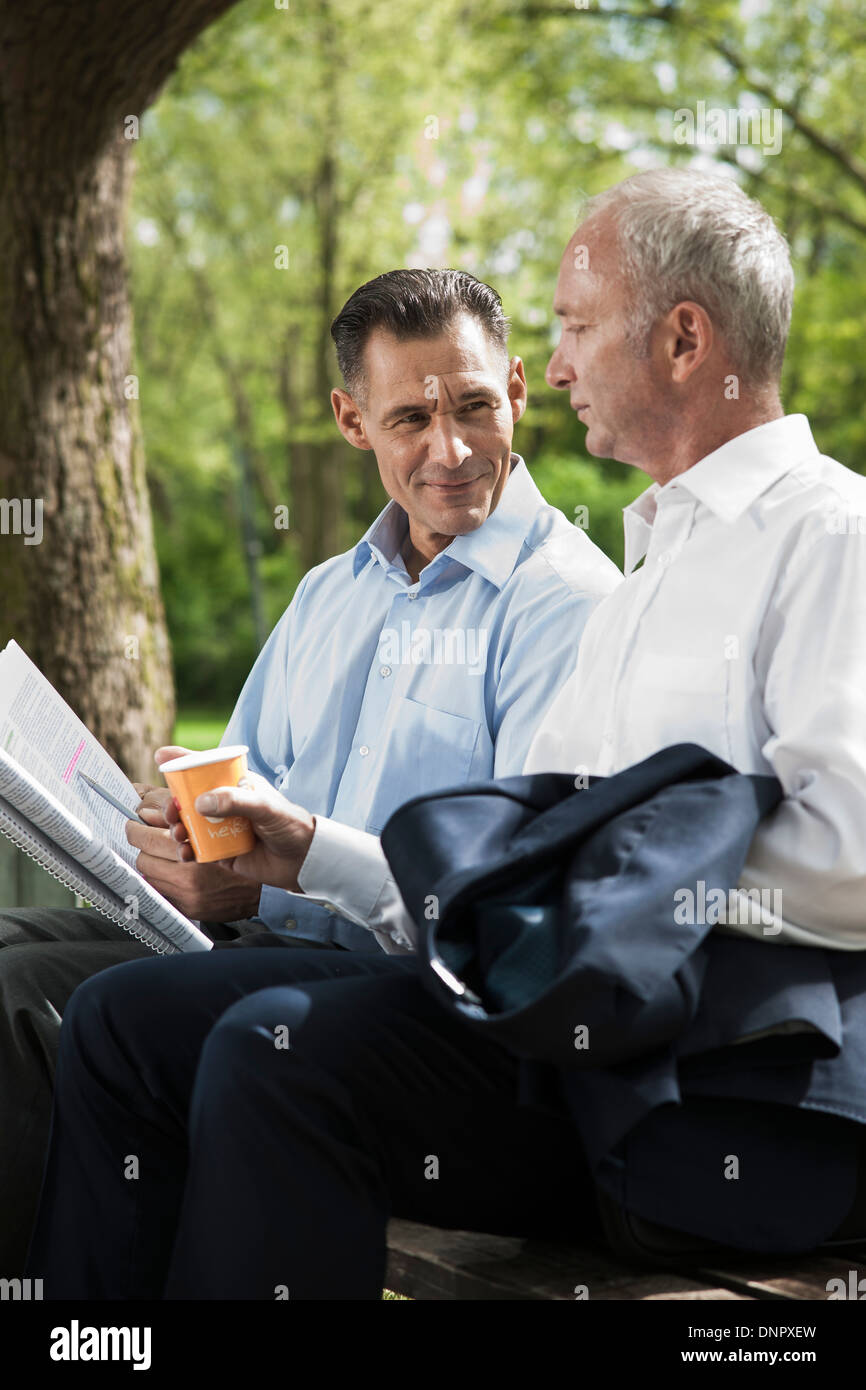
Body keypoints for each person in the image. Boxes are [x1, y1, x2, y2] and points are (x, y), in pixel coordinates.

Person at [28, 170, 866, 1299]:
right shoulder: (647, 577)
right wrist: (305, 857)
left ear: (681, 339)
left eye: (574, 328)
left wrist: (620, 876)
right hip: (579, 1052)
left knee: (272, 1054)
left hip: (715, 1099)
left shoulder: (829, 534)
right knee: (135, 1018)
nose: (557, 367)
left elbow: (851, 852)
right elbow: (501, 879)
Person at [0, 268, 619, 1269]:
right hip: (249, 942)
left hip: (408, 992)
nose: (447, 449)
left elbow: (509, 900)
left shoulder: (564, 606)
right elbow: (236, 800)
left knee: (76, 1004)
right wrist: (188, 846)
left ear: (515, 389)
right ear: (351, 420)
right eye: (408, 416)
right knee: (7, 958)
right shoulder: (328, 594)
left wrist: (295, 859)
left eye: (470, 405)